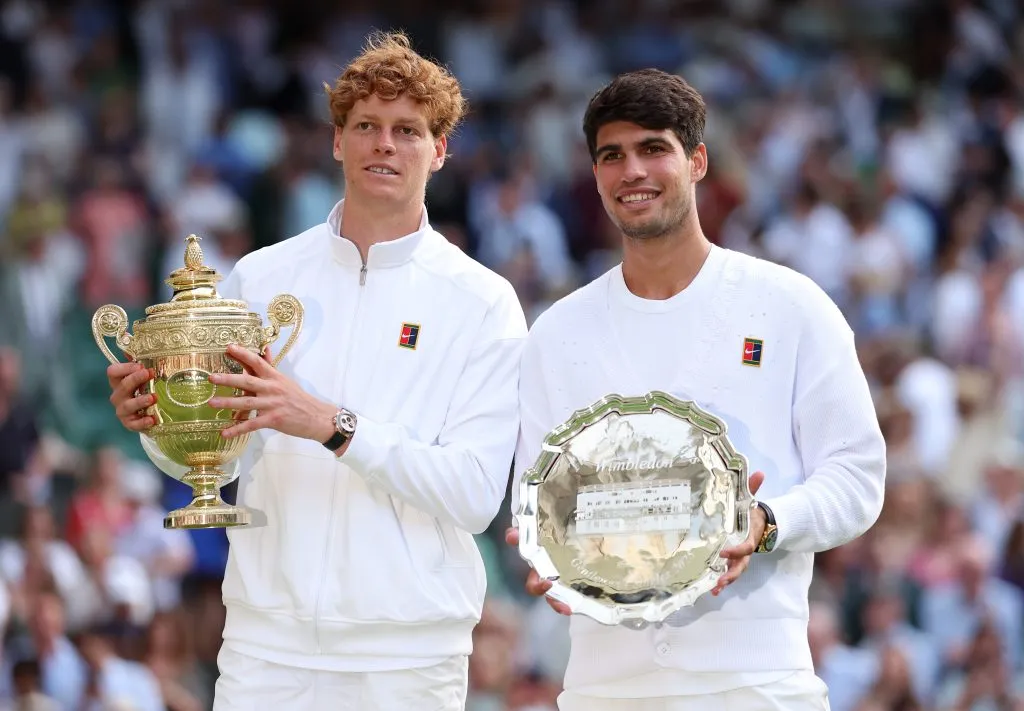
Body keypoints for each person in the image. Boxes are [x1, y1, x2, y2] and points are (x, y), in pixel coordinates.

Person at [106, 31, 527, 710]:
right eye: (365, 125)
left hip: (408, 658)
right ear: (337, 141)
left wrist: (334, 426)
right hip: (265, 648)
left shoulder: (484, 302)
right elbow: (224, 458)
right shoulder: (261, 275)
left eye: (407, 130)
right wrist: (157, 423)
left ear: (440, 151)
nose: (384, 144)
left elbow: (475, 494)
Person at [506, 68, 886, 710]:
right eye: (611, 156)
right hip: (605, 688)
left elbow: (857, 476)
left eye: (653, 148)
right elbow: (540, 496)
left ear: (698, 161)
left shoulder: (790, 306)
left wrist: (766, 522)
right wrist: (546, 549)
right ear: (595, 174)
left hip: (756, 685)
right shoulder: (557, 332)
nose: (632, 172)